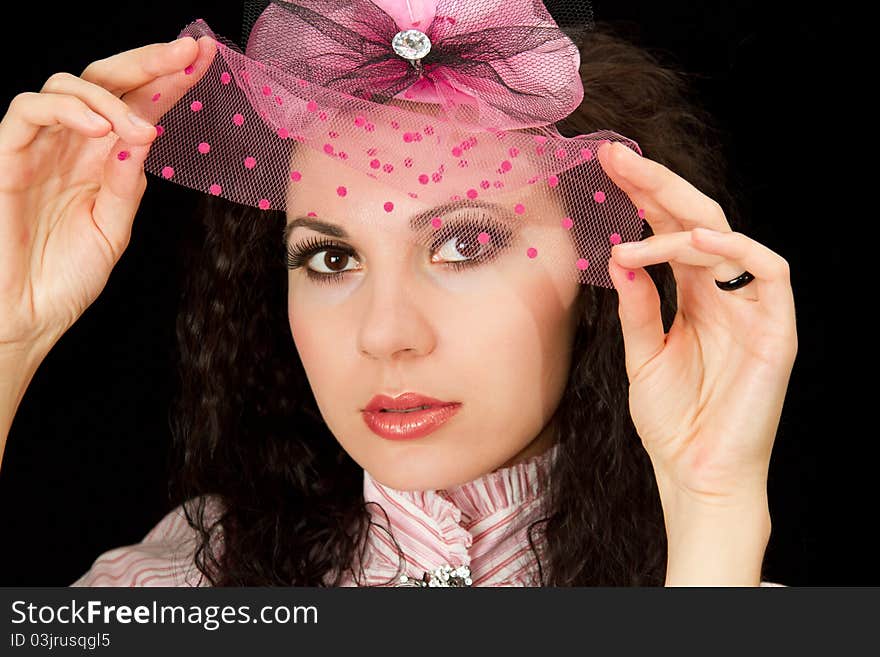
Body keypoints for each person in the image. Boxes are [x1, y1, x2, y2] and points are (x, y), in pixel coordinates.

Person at [0, 0, 796, 587]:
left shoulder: (715, 581)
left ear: (605, 268)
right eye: (330, 257)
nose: (385, 334)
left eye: (465, 243)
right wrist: (10, 334)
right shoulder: (180, 581)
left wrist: (712, 506)